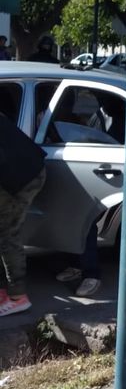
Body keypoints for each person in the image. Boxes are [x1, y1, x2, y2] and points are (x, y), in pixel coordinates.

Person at [0, 112, 47, 317]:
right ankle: (4, 291)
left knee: (7, 234)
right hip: (31, 167)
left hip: (18, 179)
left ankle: (18, 297)